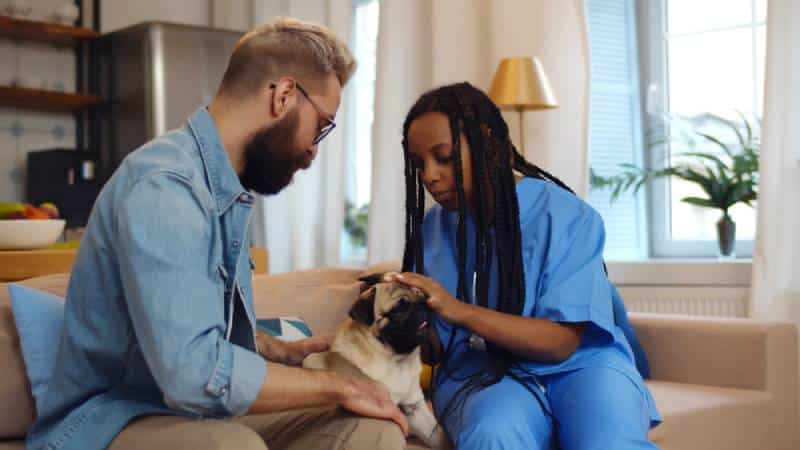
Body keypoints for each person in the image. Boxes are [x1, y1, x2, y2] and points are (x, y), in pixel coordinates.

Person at [26, 18, 407, 450]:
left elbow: (184, 317)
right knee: (231, 446)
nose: (314, 149)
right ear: (283, 96)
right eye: (321, 125)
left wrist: (268, 347)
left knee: (369, 429)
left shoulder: (225, 191)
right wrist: (340, 386)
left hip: (191, 413)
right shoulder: (165, 186)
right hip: (113, 417)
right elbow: (192, 375)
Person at [393, 82, 661, 449]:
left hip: (584, 368)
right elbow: (437, 349)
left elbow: (560, 343)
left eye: (444, 156)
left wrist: (458, 310)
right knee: (493, 435)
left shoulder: (568, 216)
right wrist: (397, 319)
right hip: (485, 373)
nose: (429, 176)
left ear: (486, 143)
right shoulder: (433, 232)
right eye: (419, 163)